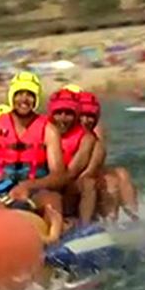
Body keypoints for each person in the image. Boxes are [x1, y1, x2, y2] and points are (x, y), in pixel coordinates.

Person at [0, 71, 69, 220]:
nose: (24, 99)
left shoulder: (48, 131)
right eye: (19, 94)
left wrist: (28, 186)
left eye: (29, 94)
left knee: (52, 200)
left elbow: (59, 175)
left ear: (36, 99)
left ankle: (53, 239)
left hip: (33, 194)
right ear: (11, 97)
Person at [76, 91, 138, 220]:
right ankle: (108, 222)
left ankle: (134, 218)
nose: (86, 120)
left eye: (89, 115)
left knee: (122, 173)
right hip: (75, 178)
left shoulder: (95, 128)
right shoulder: (60, 129)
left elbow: (98, 159)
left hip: (90, 172)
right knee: (109, 183)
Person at [47, 89, 99, 224]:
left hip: (66, 186)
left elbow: (71, 174)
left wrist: (36, 184)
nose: (63, 119)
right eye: (58, 113)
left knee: (88, 184)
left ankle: (85, 227)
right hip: (42, 182)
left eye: (68, 114)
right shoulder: (43, 130)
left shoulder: (87, 138)